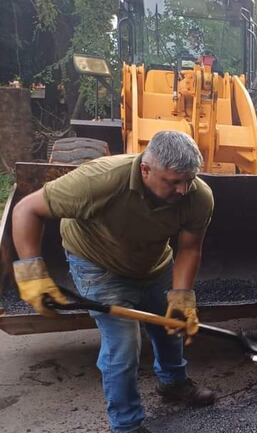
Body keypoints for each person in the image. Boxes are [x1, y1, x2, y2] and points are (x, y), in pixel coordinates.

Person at [11, 131, 215, 433]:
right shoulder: (100, 180)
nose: (183, 189)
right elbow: (26, 209)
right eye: (173, 181)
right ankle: (127, 425)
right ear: (146, 169)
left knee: (171, 325)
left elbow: (189, 247)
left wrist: (182, 296)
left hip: (154, 265)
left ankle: (173, 383)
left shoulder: (197, 196)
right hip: (98, 266)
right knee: (123, 345)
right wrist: (31, 273)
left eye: (188, 180)